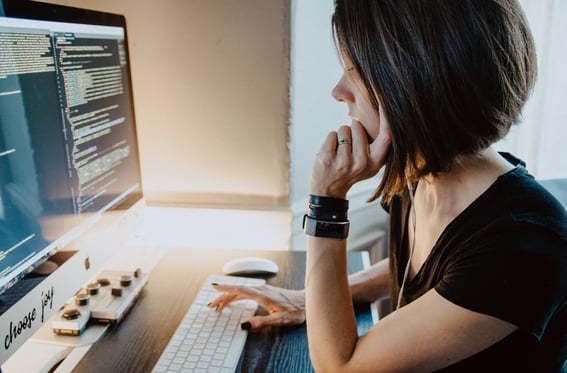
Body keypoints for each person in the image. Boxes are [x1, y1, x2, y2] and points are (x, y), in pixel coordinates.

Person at [209, 0, 567, 371]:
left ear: (417, 84)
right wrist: (308, 300)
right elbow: (447, 274)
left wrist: (327, 201)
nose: (338, 90)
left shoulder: (522, 244)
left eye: (354, 72)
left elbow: (339, 367)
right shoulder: (420, 174)